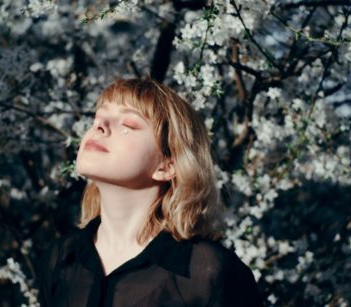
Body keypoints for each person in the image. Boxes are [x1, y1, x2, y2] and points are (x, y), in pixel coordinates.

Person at [36, 78, 262, 306]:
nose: (100, 126)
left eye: (127, 125)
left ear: (167, 165)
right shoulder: (59, 260)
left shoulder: (209, 273)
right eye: (98, 118)